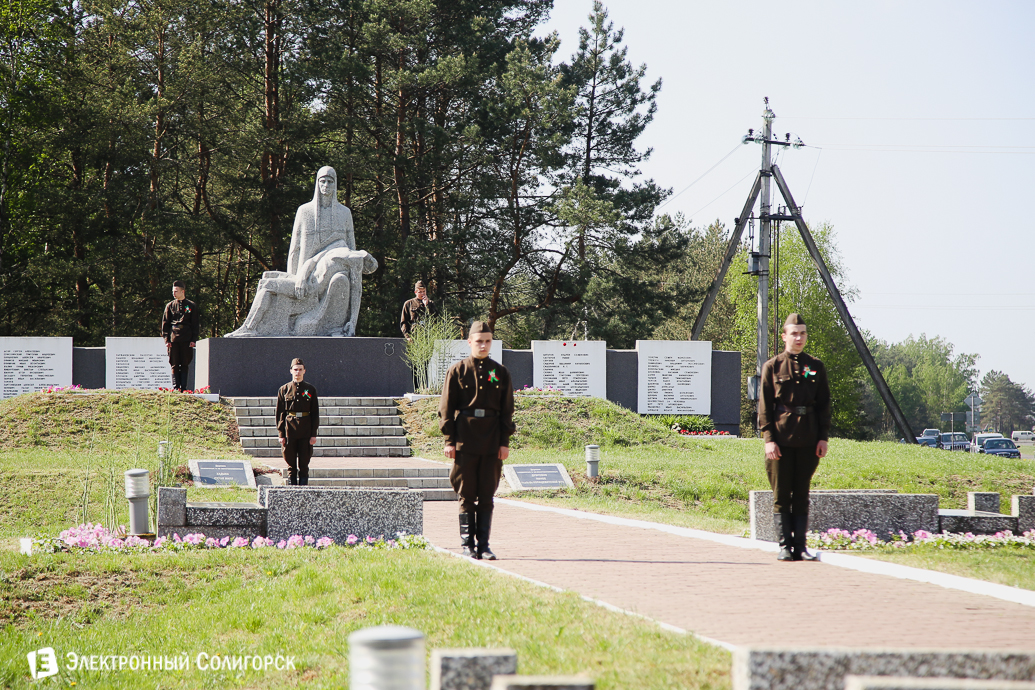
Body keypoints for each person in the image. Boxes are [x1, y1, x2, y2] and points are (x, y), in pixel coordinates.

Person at [226, 166, 378, 337]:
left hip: (314, 289)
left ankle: (249, 328)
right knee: (265, 278)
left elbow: (356, 289)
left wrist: (352, 321)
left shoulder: (345, 217)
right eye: (323, 181)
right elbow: (296, 250)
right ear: (317, 183)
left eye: (330, 182)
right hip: (304, 279)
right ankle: (249, 328)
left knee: (267, 285)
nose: (326, 185)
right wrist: (297, 277)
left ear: (335, 185)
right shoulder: (306, 213)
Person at [757, 313, 831, 562]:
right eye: (794, 333)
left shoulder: (815, 366)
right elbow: (765, 406)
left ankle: (800, 547)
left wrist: (823, 437)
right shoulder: (773, 366)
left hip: (808, 439)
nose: (799, 338)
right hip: (780, 440)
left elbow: (824, 404)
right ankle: (784, 546)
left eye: (803, 333)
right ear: (784, 336)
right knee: (781, 495)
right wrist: (768, 439)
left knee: (801, 494)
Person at [439, 321, 515, 559]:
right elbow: (446, 408)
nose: (483, 345)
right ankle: (467, 545)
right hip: (465, 440)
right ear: (470, 342)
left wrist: (505, 442)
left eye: (487, 341)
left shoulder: (499, 372)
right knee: (466, 493)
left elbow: (507, 410)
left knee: (486, 494)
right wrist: (449, 441)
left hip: (492, 440)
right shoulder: (458, 370)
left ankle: (484, 545)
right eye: (479, 341)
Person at [276, 358, 320, 486]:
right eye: (295, 370)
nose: (298, 372)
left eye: (300, 370)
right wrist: (281, 434)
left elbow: (315, 413)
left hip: (305, 430)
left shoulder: (310, 390)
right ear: (291, 371)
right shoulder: (284, 390)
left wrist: (313, 434)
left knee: (304, 462)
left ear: (304, 371)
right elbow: (280, 413)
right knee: (290, 462)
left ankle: (303, 488)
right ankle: (292, 487)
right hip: (290, 429)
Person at [161, 280, 200, 391]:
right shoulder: (170, 306)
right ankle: (176, 387)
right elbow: (165, 324)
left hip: (186, 338)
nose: (174, 293)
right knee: (174, 363)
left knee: (184, 363)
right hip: (173, 338)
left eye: (176, 291)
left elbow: (195, 324)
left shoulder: (191, 306)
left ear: (183, 291)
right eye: (173, 291)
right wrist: (166, 339)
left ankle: (184, 387)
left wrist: (193, 339)